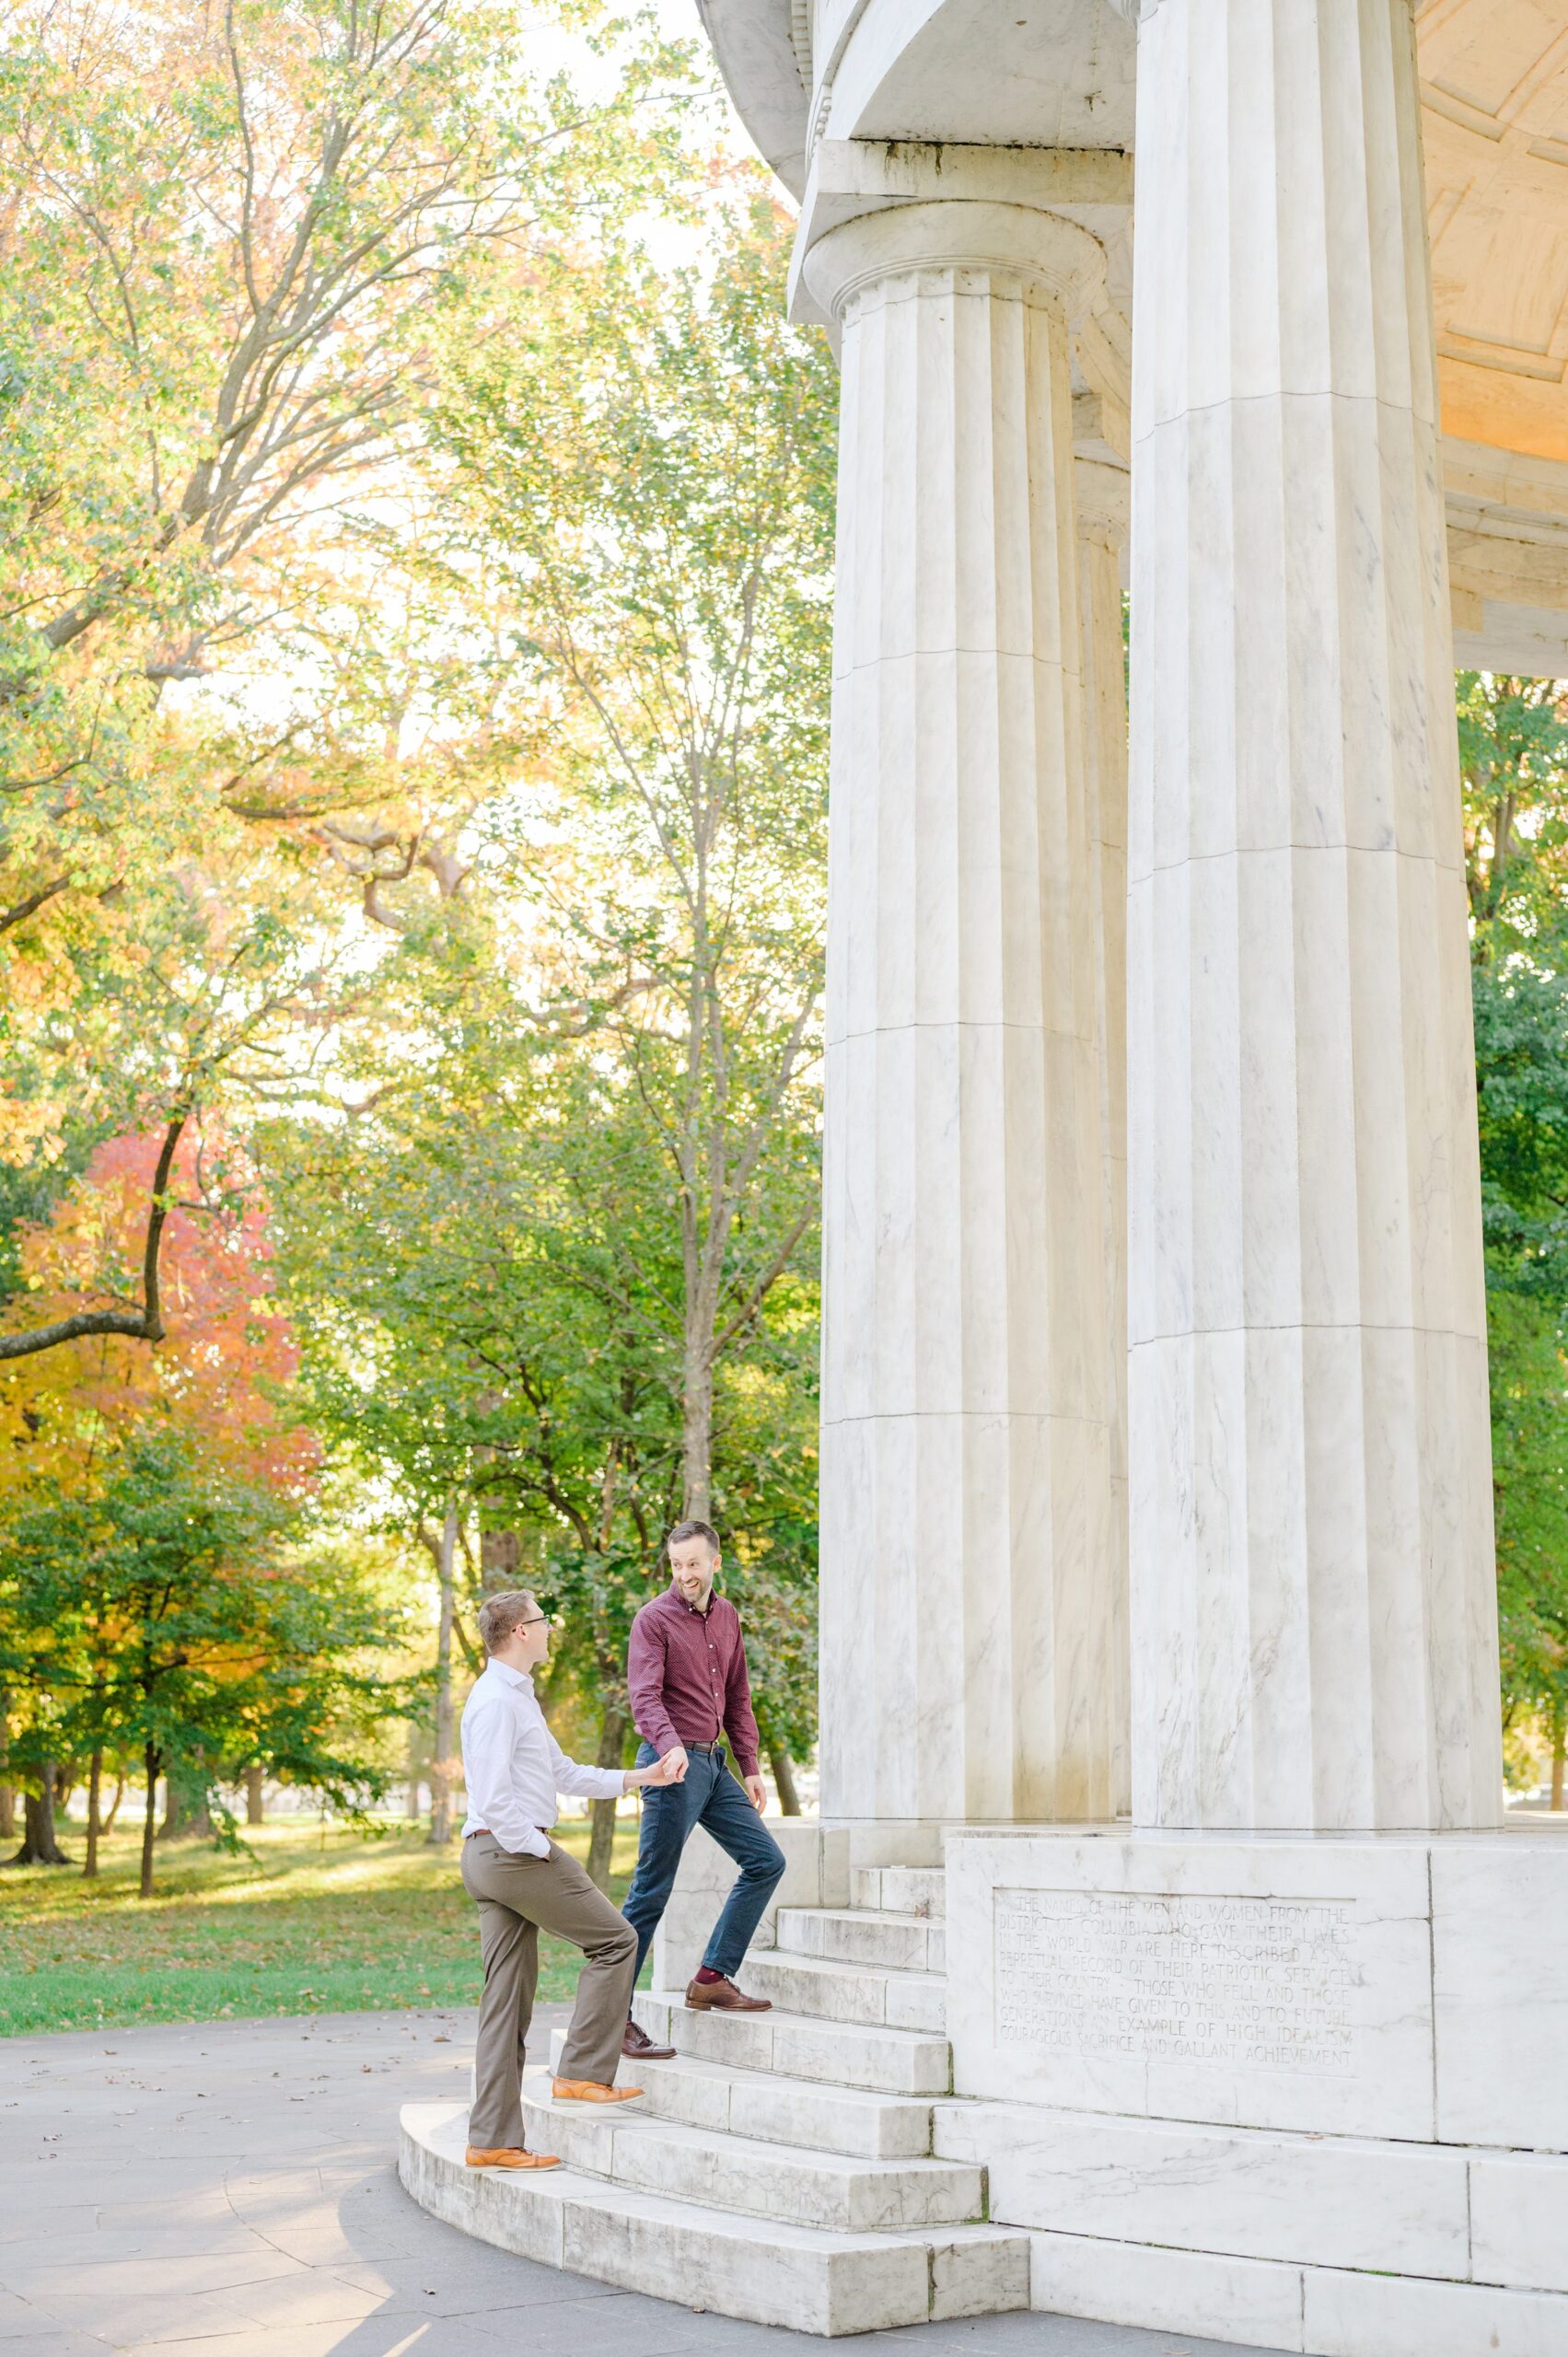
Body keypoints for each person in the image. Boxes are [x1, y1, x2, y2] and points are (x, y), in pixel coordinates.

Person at [459, 1587, 681, 2169]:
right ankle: (582, 2073)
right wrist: (538, 1848)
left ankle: (492, 2140)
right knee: (617, 1940)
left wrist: (644, 1777)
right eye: (543, 1620)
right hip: (508, 1853)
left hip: (497, 1855)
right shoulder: (494, 1702)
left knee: (506, 2004)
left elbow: (561, 1771)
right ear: (519, 1632)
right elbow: (491, 1796)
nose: (551, 1627)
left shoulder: (518, 1698)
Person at [620, 1518, 786, 2061]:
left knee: (765, 1861)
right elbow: (644, 1697)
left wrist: (751, 1765)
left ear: (715, 1562)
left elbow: (738, 1696)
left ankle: (713, 1975)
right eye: (676, 1564)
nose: (685, 1574)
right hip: (671, 1767)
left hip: (714, 1766)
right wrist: (668, 1747)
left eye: (694, 1563)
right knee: (651, 1891)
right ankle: (610, 2017)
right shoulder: (653, 1620)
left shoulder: (728, 1616)